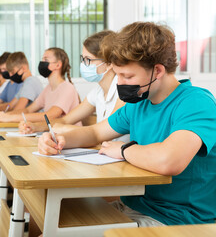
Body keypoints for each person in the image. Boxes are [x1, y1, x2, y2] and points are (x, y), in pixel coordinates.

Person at [38, 22, 216, 226]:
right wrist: (59, 139)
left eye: (127, 76)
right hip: (135, 206)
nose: (120, 83)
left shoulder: (196, 102)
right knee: (52, 223)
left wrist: (123, 150)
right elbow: (95, 133)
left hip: (176, 219)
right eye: (117, 74)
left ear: (157, 71)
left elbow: (169, 160)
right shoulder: (140, 104)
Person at [19, 31, 125, 134]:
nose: (83, 64)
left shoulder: (123, 92)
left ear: (109, 63)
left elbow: (102, 130)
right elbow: (65, 120)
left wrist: (65, 129)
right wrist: (35, 126)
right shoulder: (97, 92)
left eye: (88, 59)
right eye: (82, 59)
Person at [0, 48, 80, 123]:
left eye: (46, 60)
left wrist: (11, 118)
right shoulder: (48, 88)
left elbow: (50, 115)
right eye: (42, 59)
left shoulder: (67, 88)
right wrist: (4, 115)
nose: (42, 62)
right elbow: (28, 110)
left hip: (68, 140)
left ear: (58, 65)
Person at [0, 52, 43, 116]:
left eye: (12, 72)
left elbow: (18, 109)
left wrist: (3, 114)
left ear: (23, 68)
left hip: (35, 123)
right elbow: (11, 105)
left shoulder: (30, 81)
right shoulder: (25, 83)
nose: (10, 75)